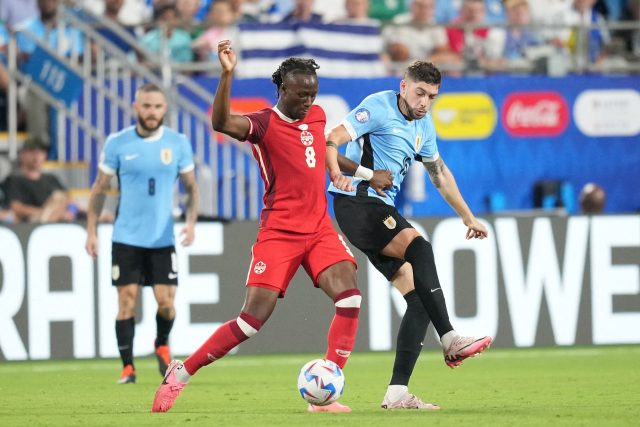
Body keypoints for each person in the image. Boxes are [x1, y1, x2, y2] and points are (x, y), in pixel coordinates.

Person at [151, 40, 361, 414]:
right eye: (300, 94)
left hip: (319, 230)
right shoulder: (263, 124)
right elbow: (219, 122)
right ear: (282, 89)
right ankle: (181, 372)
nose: (308, 101)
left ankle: (325, 394)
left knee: (350, 298)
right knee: (250, 322)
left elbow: (324, 151)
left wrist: (361, 174)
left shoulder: (317, 116)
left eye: (312, 93)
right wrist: (227, 74)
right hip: (279, 233)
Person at [325, 60, 492, 410]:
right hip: (358, 203)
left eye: (432, 96)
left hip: (377, 209)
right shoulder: (379, 106)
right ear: (403, 86)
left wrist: (467, 216)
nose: (424, 103)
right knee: (420, 247)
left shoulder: (424, 126)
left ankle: (397, 392)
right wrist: (366, 173)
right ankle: (449, 338)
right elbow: (332, 141)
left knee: (419, 300)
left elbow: (440, 173)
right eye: (419, 93)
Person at [84, 83, 200, 385]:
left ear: (165, 109)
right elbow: (99, 189)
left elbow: (191, 187)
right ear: (136, 107)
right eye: (147, 106)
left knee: (166, 302)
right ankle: (128, 367)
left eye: (158, 106)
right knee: (126, 300)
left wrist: (191, 222)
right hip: (126, 236)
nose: (152, 112)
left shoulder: (178, 143)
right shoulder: (118, 143)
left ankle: (161, 342)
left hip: (162, 238)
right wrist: (92, 230)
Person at [4, 137, 76, 223]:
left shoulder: (52, 178)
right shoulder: (14, 180)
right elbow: (16, 208)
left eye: (40, 152)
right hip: (31, 223)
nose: (36, 155)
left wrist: (69, 212)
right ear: (22, 154)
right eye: (31, 151)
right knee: (57, 197)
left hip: (58, 220)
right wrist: (46, 213)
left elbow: (71, 201)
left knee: (60, 197)